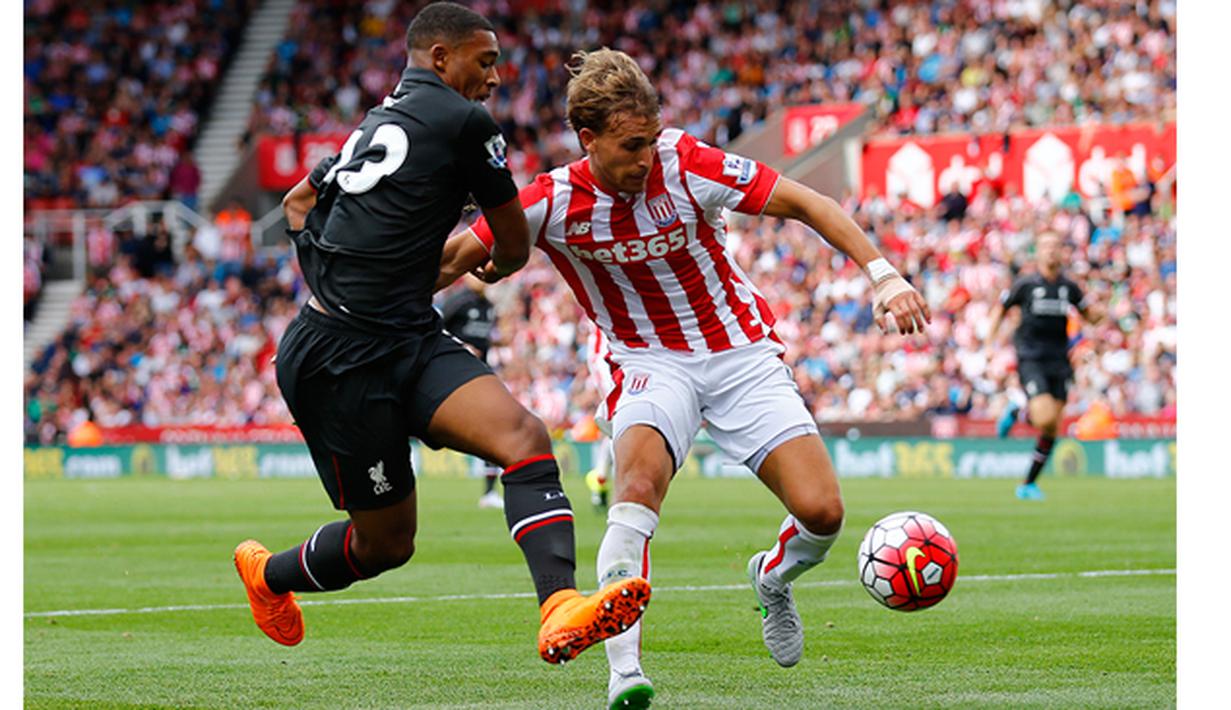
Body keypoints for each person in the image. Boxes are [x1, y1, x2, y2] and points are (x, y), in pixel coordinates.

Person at [436, 48, 930, 709]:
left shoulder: (686, 162)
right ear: (587, 139)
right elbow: (451, 262)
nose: (643, 158)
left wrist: (883, 275)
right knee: (635, 490)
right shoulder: (550, 202)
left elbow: (807, 202)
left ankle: (773, 579)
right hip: (645, 361)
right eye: (627, 146)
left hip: (738, 353)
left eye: (648, 141)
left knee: (822, 512)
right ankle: (624, 674)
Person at [232, 4, 649, 666]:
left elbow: (298, 205)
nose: (493, 76)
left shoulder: (375, 123)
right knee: (385, 546)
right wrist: (501, 262)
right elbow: (511, 240)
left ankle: (558, 607)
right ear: (439, 58)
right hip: (341, 361)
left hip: (403, 334)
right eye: (483, 61)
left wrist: (331, 277)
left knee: (522, 438)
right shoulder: (465, 121)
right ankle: (268, 576)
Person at [986, 231, 1102, 500]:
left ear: (1062, 252)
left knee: (1051, 427)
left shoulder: (1069, 288)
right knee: (1046, 417)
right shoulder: (1025, 284)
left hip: (1060, 360)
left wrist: (1100, 314)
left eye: (1056, 246)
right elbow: (999, 311)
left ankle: (1028, 484)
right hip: (1031, 357)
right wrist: (990, 346)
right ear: (1038, 252)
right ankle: (1017, 411)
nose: (1051, 251)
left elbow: (1089, 315)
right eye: (1046, 246)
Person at [437, 274, 503, 509]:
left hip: (480, 374)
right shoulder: (458, 301)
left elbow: (485, 340)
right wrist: (460, 346)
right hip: (450, 372)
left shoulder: (489, 307)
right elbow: (432, 326)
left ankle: (489, 492)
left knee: (494, 428)